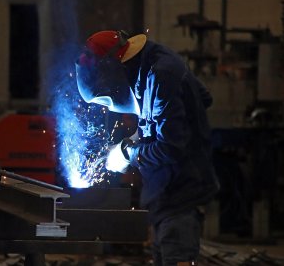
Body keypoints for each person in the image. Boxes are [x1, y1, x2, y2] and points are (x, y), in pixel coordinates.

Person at [75, 30, 219, 266]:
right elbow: (202, 97)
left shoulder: (162, 75)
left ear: (113, 68)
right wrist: (141, 135)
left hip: (180, 191)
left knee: (176, 256)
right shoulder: (146, 64)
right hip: (164, 193)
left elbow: (171, 147)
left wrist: (129, 154)